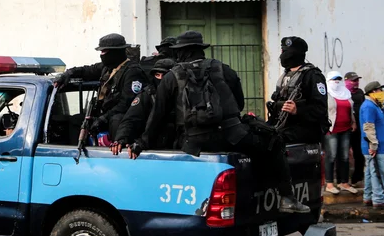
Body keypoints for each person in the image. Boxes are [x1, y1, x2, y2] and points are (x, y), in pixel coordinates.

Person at [125, 30, 310, 214]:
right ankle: (285, 198)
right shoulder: (223, 69)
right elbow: (239, 103)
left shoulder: (171, 77)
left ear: (182, 51)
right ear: (200, 50)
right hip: (231, 135)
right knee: (273, 141)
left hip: (192, 142)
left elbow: (158, 115)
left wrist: (141, 143)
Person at [53, 33, 148, 139]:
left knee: (116, 121)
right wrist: (67, 74)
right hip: (102, 115)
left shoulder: (132, 72)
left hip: (117, 119)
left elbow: (126, 104)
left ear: (116, 52)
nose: (102, 54)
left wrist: (103, 119)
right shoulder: (107, 68)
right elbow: (86, 70)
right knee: (75, 121)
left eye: (104, 51)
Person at [267, 37, 330, 144]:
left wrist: (298, 110)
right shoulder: (285, 75)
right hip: (283, 126)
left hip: (304, 130)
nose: (282, 55)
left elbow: (320, 108)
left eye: (285, 52)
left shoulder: (313, 75)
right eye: (282, 51)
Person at [112, 58, 176, 151]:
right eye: (157, 75)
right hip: (154, 145)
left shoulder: (182, 94)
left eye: (165, 75)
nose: (161, 79)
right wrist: (121, 139)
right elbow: (131, 119)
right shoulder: (148, 94)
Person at [323, 71, 357, 195]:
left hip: (346, 129)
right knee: (331, 156)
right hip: (331, 130)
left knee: (344, 156)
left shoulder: (346, 93)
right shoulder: (326, 94)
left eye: (339, 78)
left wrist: (353, 122)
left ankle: (344, 182)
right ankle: (330, 183)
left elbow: (351, 110)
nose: (336, 81)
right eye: (334, 79)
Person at [359, 81, 384, 208]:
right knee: (378, 172)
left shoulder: (374, 105)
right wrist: (373, 145)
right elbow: (368, 126)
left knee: (369, 172)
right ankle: (378, 199)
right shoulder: (369, 106)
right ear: (372, 92)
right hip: (374, 146)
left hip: (373, 145)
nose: (381, 93)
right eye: (379, 90)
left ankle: (368, 197)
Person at [346, 71, 366, 186]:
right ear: (346, 81)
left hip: (359, 128)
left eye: (357, 80)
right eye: (353, 80)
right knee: (343, 155)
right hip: (345, 128)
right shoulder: (342, 93)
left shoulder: (360, 93)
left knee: (359, 153)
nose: (356, 83)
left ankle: (357, 177)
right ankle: (342, 179)